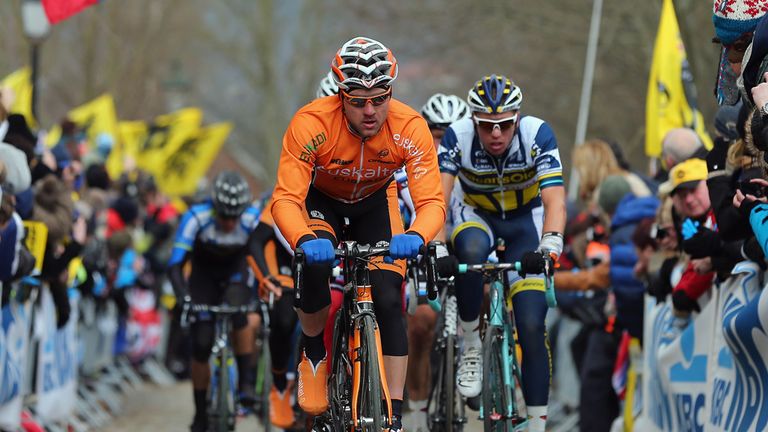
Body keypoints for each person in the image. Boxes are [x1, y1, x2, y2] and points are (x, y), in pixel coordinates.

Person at [270, 36, 446, 431]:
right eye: (358, 101)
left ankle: (394, 414)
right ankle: (314, 351)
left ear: (390, 93)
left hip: (375, 202)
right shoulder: (312, 123)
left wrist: (417, 235)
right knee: (315, 265)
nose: (370, 111)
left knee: (389, 297)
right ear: (340, 95)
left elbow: (432, 201)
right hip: (323, 201)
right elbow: (285, 199)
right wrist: (304, 240)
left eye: (379, 99)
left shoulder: (409, 127)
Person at [437, 74, 566, 431]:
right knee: (469, 252)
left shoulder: (537, 134)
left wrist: (550, 244)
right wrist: (437, 247)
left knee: (531, 324)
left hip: (526, 223)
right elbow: (438, 199)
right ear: (473, 121)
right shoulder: (458, 135)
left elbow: (555, 199)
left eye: (505, 125)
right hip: (478, 217)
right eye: (486, 125)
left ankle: (537, 424)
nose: (496, 134)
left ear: (517, 119)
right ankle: (471, 344)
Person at [167, 171, 260, 432]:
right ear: (214, 207)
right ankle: (200, 413)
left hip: (235, 273)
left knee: (239, 313)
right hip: (203, 277)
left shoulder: (252, 218)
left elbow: (261, 257)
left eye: (235, 217)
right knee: (201, 344)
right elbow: (175, 265)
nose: (230, 223)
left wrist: (263, 289)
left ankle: (245, 384)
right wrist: (183, 297)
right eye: (224, 216)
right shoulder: (196, 216)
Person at [403, 93, 470, 432]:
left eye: (451, 135)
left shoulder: (475, 167)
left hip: (464, 247)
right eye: (437, 135)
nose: (443, 144)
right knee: (420, 323)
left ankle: (477, 354)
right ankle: (416, 410)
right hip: (424, 250)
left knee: (485, 292)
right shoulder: (410, 168)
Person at [247, 193, 300, 429]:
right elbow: (255, 241)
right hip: (283, 272)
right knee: (285, 319)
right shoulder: (280, 198)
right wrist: (266, 278)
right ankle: (279, 382)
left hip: (323, 271)